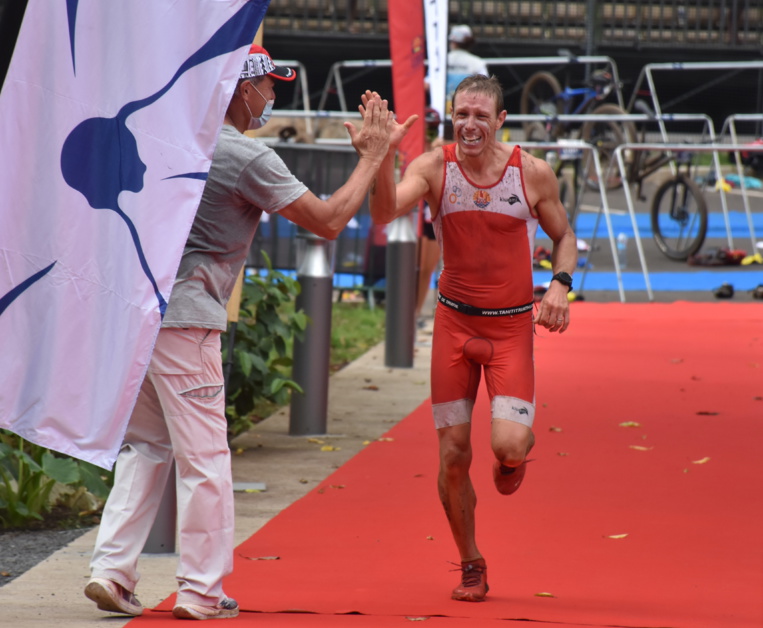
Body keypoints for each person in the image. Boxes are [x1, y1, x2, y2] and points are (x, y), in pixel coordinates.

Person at [84, 44, 391, 621]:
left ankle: (111, 572)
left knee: (146, 447)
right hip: (187, 320)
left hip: (139, 314)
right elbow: (328, 221)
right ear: (241, 89)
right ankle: (201, 592)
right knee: (206, 459)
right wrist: (373, 158)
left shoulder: (168, 137)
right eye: (269, 86)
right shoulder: (245, 155)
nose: (272, 97)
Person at [367, 74, 577, 603]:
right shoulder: (433, 168)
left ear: (501, 120)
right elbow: (384, 211)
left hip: (510, 330)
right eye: (462, 114)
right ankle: (471, 562)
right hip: (454, 327)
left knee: (507, 446)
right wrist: (381, 157)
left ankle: (512, 458)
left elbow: (564, 236)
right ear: (451, 116)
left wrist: (559, 284)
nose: (469, 124)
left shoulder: (532, 173)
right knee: (453, 456)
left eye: (481, 116)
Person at [445, 25, 489, 117]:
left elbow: (427, 85)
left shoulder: (441, 61)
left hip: (443, 108)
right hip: (468, 109)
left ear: (453, 42)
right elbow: (486, 87)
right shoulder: (478, 62)